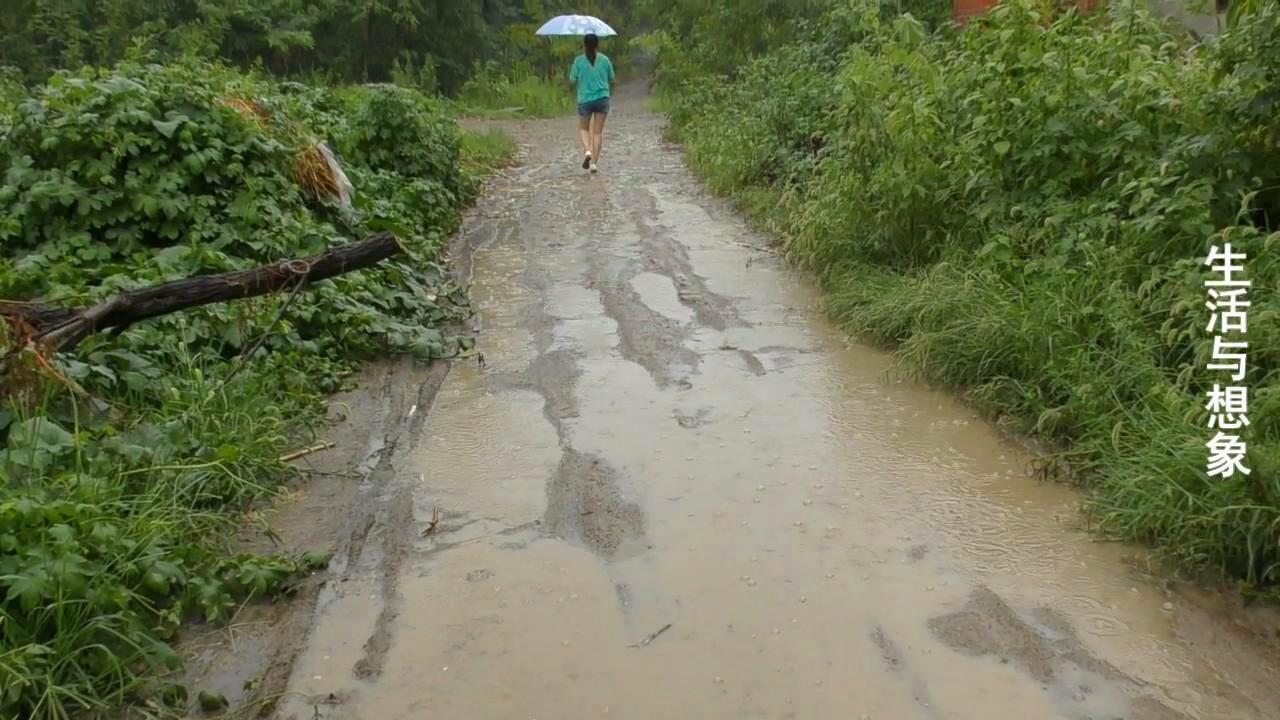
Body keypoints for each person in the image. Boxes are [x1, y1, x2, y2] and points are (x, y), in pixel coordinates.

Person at [569, 33, 615, 174]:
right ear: (597, 45)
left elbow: (572, 79)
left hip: (585, 100)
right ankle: (594, 163)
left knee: (583, 129)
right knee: (597, 132)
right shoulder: (605, 60)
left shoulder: (578, 61)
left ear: (584, 45)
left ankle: (588, 150)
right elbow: (612, 78)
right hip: (602, 98)